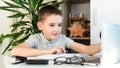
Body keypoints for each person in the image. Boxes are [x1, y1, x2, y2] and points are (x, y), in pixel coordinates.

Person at [11, 5, 101, 57]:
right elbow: (15, 51)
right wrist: (47, 51)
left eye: (59, 25)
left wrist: (106, 43)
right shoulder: (35, 39)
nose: (56, 29)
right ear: (40, 26)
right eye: (51, 25)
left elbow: (87, 50)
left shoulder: (62, 39)